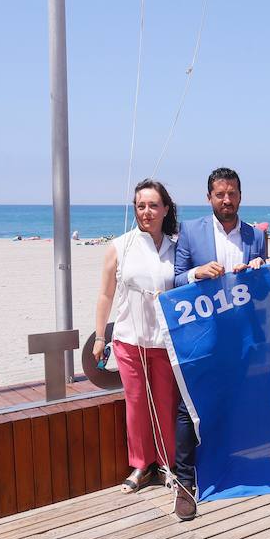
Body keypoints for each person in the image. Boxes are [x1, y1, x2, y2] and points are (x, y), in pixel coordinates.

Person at [172, 167, 267, 520]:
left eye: (232, 194)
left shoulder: (255, 235)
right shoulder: (190, 231)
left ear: (241, 195)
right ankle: (184, 483)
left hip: (240, 336)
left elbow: (265, 286)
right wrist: (196, 274)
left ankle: (225, 464)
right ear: (209, 197)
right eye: (220, 194)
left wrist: (261, 268)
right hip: (199, 336)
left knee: (233, 400)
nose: (226, 200)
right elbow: (174, 281)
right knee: (188, 407)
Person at [92, 179, 181, 494]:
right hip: (129, 340)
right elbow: (105, 294)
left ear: (165, 208)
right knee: (137, 403)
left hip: (166, 342)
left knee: (167, 404)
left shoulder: (177, 247)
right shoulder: (120, 245)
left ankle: (168, 464)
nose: (147, 211)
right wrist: (101, 336)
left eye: (154, 205)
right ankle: (142, 465)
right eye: (141, 205)